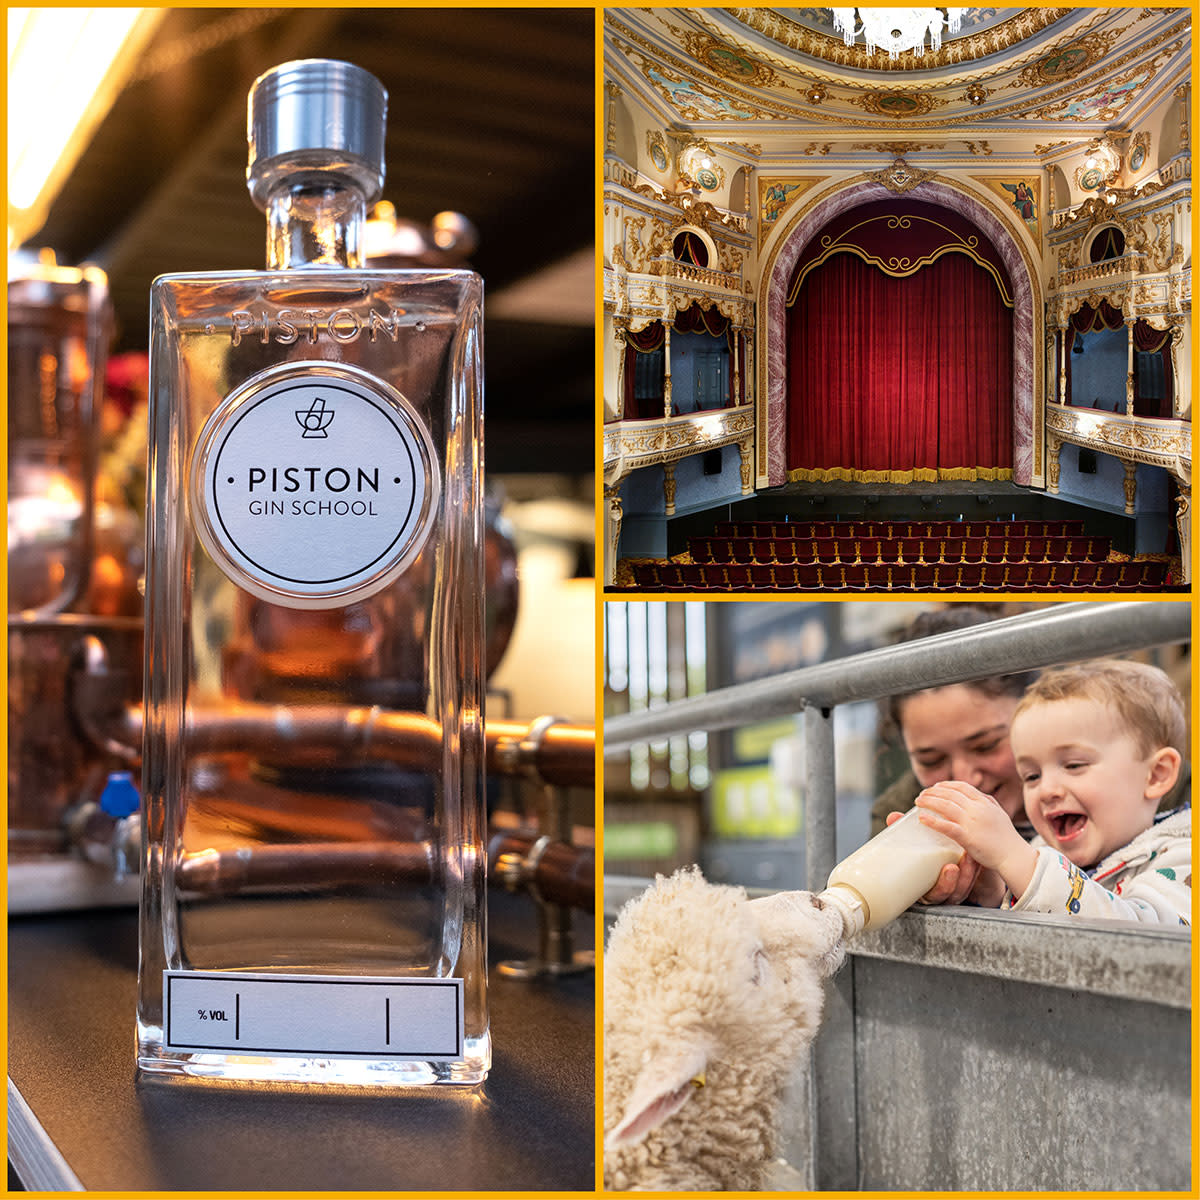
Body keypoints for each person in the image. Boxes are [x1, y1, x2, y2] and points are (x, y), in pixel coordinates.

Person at [915, 659, 1190, 925]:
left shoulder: (1182, 857)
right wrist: (992, 893)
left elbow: (1142, 940)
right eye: (1031, 776)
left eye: (1074, 765)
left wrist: (1014, 858)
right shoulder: (1040, 850)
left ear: (1157, 775)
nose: (1046, 790)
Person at [870, 606, 1038, 903]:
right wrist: (913, 908)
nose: (964, 779)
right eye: (931, 760)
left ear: (1034, 710)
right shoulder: (897, 815)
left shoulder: (1098, 797)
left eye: (986, 745)